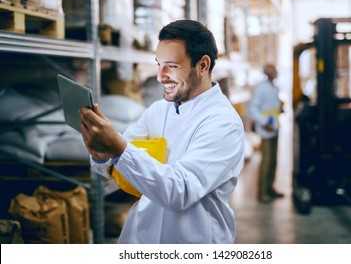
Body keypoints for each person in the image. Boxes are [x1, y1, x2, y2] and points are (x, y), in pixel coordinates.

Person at [79, 19, 245, 243]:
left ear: (203, 65)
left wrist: (117, 148)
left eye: (172, 66)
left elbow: (180, 191)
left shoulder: (223, 124)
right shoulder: (159, 111)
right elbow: (117, 165)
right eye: (159, 64)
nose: (160, 76)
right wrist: (102, 155)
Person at [248, 63, 284, 203]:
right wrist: (264, 122)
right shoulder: (261, 89)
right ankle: (262, 193)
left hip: (274, 126)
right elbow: (253, 109)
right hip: (266, 128)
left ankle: (270, 188)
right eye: (273, 70)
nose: (276, 71)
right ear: (267, 72)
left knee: (274, 160)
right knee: (267, 161)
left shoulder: (274, 88)